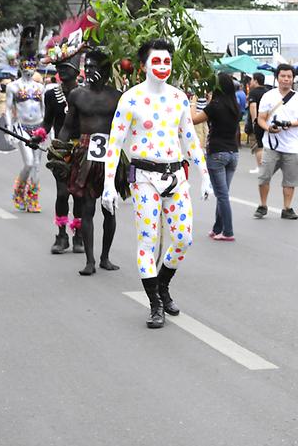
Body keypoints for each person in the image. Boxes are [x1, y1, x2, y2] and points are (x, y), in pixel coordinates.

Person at [101, 39, 213, 328]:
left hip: (176, 176)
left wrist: (204, 175)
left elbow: (189, 139)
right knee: (147, 241)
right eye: (156, 62)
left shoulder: (178, 98)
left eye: (167, 62)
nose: (162, 67)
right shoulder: (130, 99)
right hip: (144, 178)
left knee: (183, 238)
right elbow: (114, 143)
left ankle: (163, 286)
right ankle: (154, 304)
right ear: (144, 66)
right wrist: (108, 184)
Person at [59, 49, 125, 275]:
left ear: (105, 70)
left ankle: (105, 257)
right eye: (87, 66)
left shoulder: (118, 97)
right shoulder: (77, 95)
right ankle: (90, 260)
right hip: (85, 154)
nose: (88, 70)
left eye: (94, 66)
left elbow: (127, 129)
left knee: (109, 208)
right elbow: (68, 126)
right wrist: (58, 150)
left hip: (111, 157)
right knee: (87, 207)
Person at [254, 64, 298, 220]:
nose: (286, 79)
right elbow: (261, 118)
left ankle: (287, 208)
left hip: (292, 145)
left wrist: (290, 124)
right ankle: (263, 205)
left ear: (293, 79)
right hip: (271, 144)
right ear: (277, 77)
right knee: (264, 176)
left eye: (289, 76)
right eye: (283, 76)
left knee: (290, 179)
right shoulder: (268, 96)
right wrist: (268, 128)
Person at [42, 52, 84, 254]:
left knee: (79, 195)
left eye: (65, 66)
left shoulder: (85, 94)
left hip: (82, 150)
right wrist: (38, 135)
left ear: (76, 71)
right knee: (62, 193)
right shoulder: (51, 95)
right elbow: (47, 121)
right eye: (58, 66)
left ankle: (78, 235)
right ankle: (61, 236)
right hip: (60, 150)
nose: (60, 70)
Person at [192, 72, 240, 241]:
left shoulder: (215, 106)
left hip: (217, 153)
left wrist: (193, 102)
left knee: (222, 195)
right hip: (233, 153)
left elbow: (193, 119)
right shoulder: (235, 105)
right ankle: (217, 227)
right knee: (224, 193)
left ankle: (228, 231)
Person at [4, 48, 46, 212]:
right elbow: (8, 109)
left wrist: (46, 129)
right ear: (20, 66)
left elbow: (45, 110)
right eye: (26, 66)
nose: (29, 69)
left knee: (36, 165)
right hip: (21, 128)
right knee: (28, 163)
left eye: (32, 66)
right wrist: (9, 128)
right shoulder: (12, 87)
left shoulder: (40, 87)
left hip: (38, 128)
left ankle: (33, 199)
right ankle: (19, 191)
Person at [247, 71, 270, 174]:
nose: (250, 82)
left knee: (258, 145)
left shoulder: (253, 92)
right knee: (265, 144)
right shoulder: (268, 92)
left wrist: (254, 121)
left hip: (257, 122)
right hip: (267, 121)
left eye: (251, 79)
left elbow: (253, 106)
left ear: (256, 81)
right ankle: (265, 166)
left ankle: (260, 167)